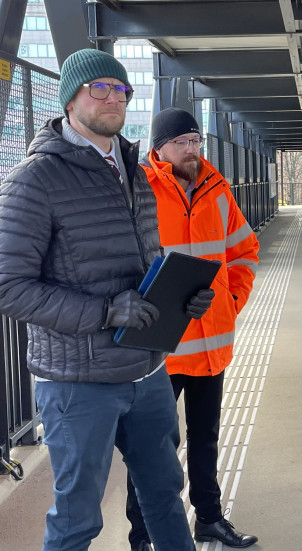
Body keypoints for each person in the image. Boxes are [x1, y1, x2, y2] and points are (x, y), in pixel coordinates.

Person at [0, 49, 214, 551]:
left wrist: (180, 296)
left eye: (121, 90)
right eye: (99, 88)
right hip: (78, 384)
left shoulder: (135, 171)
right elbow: (9, 287)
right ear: (70, 98)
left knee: (164, 496)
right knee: (78, 519)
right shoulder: (34, 180)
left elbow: (142, 261)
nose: (113, 98)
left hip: (147, 370)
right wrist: (103, 312)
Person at [125, 108, 260, 551]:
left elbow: (244, 251)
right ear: (158, 148)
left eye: (196, 141)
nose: (191, 150)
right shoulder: (140, 189)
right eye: (182, 142)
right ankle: (142, 534)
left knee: (206, 439)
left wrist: (231, 302)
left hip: (210, 342)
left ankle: (209, 519)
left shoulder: (218, 191)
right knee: (152, 448)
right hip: (161, 347)